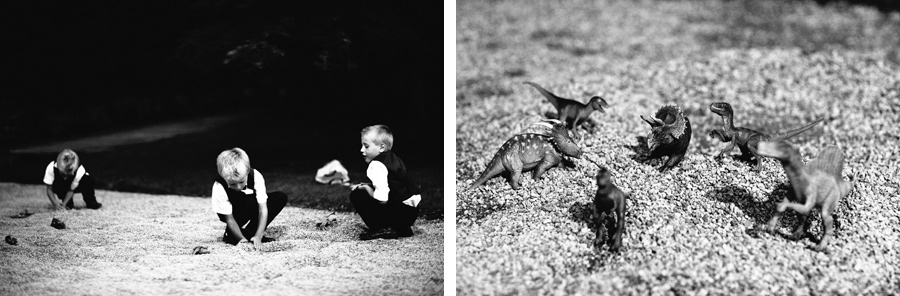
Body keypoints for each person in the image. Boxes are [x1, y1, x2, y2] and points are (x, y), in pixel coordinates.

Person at [350, 125, 422, 240]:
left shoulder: (376, 165)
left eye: (366, 146)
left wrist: (365, 189)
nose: (361, 150)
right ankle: (402, 228)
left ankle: (383, 228)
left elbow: (382, 199)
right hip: (411, 212)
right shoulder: (393, 158)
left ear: (381, 147)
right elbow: (393, 187)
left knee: (357, 194)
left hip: (400, 213)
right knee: (367, 189)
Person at [211, 147, 287, 247]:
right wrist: (242, 240)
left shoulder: (255, 176)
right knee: (248, 201)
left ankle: (252, 233)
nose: (238, 187)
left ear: (247, 171)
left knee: (279, 197)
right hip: (233, 214)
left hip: (249, 204)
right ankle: (231, 234)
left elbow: (263, 209)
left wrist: (258, 235)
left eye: (241, 182)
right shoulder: (219, 186)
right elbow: (229, 219)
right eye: (232, 184)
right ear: (223, 176)